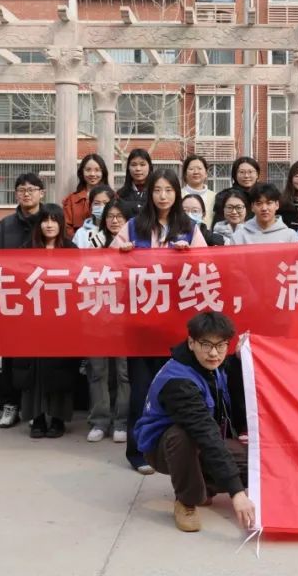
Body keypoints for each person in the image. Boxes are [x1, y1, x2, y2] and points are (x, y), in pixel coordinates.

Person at [112, 168, 208, 474]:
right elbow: (108, 268)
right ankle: (138, 451)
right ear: (149, 193)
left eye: (168, 190)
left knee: (175, 386)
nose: (163, 196)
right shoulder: (133, 226)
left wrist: (189, 256)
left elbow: (207, 268)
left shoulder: (189, 227)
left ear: (177, 193)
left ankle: (172, 450)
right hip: (140, 323)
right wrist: (121, 254)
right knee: (141, 389)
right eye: (157, 190)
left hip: (176, 324)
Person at [136, 312, 255, 533]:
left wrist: (240, 359)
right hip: (164, 449)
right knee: (183, 435)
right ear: (191, 343)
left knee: (256, 466)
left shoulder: (213, 364)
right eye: (206, 344)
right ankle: (186, 501)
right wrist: (237, 493)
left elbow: (233, 389)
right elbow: (205, 432)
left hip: (204, 440)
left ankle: (204, 487)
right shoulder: (178, 382)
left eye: (221, 345)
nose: (214, 353)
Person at [14, 204, 80, 439]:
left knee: (60, 369)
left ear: (61, 224)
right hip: (33, 319)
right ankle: (37, 418)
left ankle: (58, 419)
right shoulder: (26, 250)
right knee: (35, 371)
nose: (49, 225)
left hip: (62, 320)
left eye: (54, 220)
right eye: (45, 220)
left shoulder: (71, 250)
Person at [0, 172, 47, 429]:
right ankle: (10, 404)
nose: (27, 194)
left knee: (41, 356)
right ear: (16, 194)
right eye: (22, 190)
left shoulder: (50, 221)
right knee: (11, 356)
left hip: (44, 298)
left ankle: (38, 408)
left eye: (32, 189)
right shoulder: (4, 226)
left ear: (42, 193)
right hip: (13, 298)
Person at [77, 193, 132, 445]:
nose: (114, 221)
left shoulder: (135, 244)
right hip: (97, 317)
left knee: (124, 373)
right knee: (98, 371)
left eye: (120, 216)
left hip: (126, 321)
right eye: (110, 216)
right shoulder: (92, 241)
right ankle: (99, 420)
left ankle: (122, 421)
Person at [232, 182, 298, 245]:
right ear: (252, 207)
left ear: (277, 205)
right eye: (259, 203)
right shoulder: (239, 236)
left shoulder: (290, 236)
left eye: (269, 203)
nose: (264, 208)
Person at [62, 153, 109, 238]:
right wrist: (79, 240)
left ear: (103, 172)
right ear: (82, 172)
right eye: (88, 170)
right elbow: (66, 227)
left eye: (97, 170)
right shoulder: (71, 200)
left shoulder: (113, 197)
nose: (92, 174)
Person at [212, 157, 261, 225]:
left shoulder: (264, 195)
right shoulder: (224, 196)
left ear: (257, 174)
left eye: (250, 172)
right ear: (235, 175)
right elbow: (219, 224)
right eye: (242, 172)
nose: (246, 176)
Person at [72, 183, 117, 248]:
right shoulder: (81, 233)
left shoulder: (117, 230)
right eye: (96, 203)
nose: (101, 207)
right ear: (90, 205)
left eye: (106, 203)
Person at [181, 155, 216, 226]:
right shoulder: (177, 195)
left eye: (199, 168)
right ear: (185, 174)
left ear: (206, 173)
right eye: (191, 169)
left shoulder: (215, 197)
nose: (196, 172)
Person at [116, 148, 153, 216]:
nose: (138, 169)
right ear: (128, 168)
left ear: (149, 167)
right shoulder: (120, 194)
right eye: (134, 165)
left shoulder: (155, 192)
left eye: (142, 164)